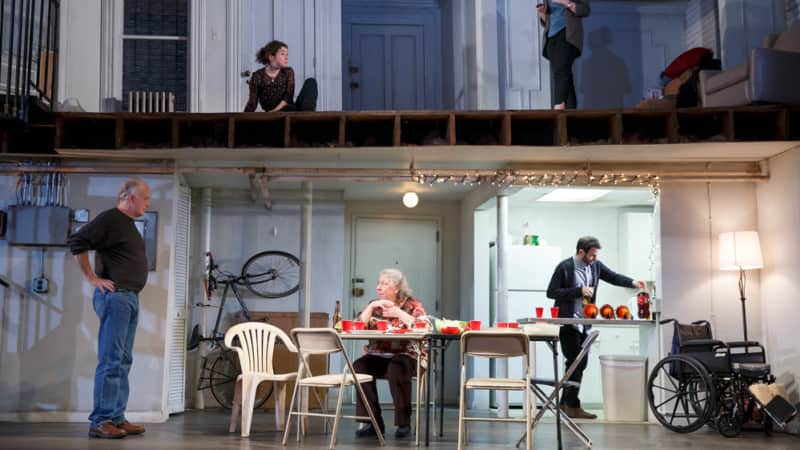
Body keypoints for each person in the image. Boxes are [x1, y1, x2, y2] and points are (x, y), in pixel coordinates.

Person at [68, 179, 151, 439]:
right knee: (111, 360)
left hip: (129, 298)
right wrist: (93, 279)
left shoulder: (126, 225)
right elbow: (77, 242)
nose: (148, 203)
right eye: (145, 198)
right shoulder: (110, 219)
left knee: (123, 360)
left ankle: (116, 417)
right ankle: (101, 421)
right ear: (131, 198)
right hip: (116, 299)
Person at [546, 236, 645, 419]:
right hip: (568, 323)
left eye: (596, 255)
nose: (594, 259)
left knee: (577, 363)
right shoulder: (565, 267)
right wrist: (579, 291)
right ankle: (571, 405)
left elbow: (613, 277)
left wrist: (633, 282)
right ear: (581, 252)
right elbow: (551, 292)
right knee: (576, 362)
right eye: (592, 255)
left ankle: (566, 404)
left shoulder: (596, 266)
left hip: (585, 324)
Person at [353, 269, 427, 439]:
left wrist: (399, 313)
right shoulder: (375, 306)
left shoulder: (411, 305)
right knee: (359, 366)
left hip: (408, 357)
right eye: (378, 283)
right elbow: (358, 326)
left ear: (397, 287)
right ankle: (372, 422)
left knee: (397, 367)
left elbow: (424, 326)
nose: (379, 287)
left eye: (384, 284)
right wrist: (371, 307)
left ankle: (403, 424)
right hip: (379, 355)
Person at [537, 0, 590, 109]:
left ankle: (559, 106)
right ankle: (571, 113)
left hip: (567, 35)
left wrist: (567, 2)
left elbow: (585, 10)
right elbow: (548, 20)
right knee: (564, 75)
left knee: (561, 73)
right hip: (551, 37)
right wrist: (542, 13)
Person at [244, 40, 318, 112]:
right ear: (271, 57)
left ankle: (307, 115)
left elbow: (288, 97)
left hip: (290, 109)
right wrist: (241, 120)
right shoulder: (257, 76)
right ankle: (305, 116)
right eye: (282, 54)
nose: (286, 57)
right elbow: (252, 103)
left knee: (311, 81)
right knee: (291, 110)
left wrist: (273, 111)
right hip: (280, 113)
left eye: (287, 54)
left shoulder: (288, 71)